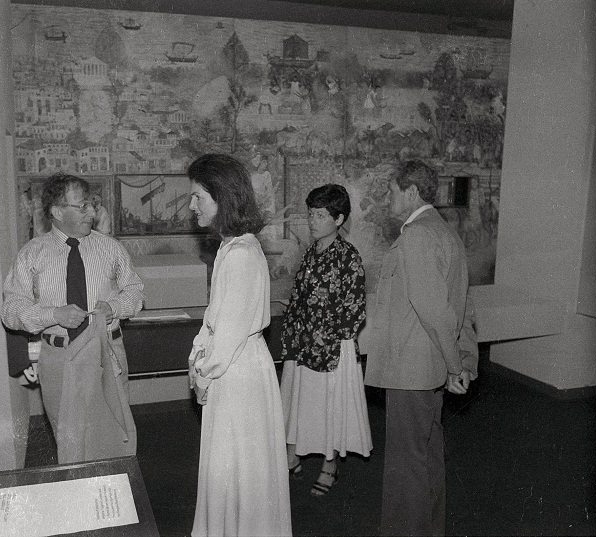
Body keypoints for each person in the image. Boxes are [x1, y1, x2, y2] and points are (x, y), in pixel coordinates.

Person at [364, 160, 476, 536]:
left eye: (392, 191)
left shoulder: (416, 236)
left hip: (412, 371)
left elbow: (435, 311)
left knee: (405, 466)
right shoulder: (444, 232)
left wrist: (456, 367)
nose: (388, 198)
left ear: (411, 193)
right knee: (427, 458)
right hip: (428, 370)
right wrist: (460, 364)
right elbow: (462, 307)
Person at [2, 173, 144, 463]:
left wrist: (114, 308)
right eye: (82, 207)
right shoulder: (32, 254)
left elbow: (136, 293)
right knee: (69, 443)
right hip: (59, 358)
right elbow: (11, 311)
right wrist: (53, 314)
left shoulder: (110, 248)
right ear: (56, 212)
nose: (91, 212)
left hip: (107, 356)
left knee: (114, 437)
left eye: (91, 205)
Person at [186, 154, 292, 537]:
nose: (192, 204)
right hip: (236, 364)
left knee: (238, 462)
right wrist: (198, 354)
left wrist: (203, 371)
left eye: (198, 196)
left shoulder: (242, 254)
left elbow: (228, 332)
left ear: (223, 197)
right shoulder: (232, 249)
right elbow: (215, 318)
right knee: (232, 463)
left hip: (237, 368)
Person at [279, 183, 371, 496]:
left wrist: (325, 334)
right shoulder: (311, 253)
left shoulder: (348, 256)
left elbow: (355, 308)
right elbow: (298, 298)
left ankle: (330, 464)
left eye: (320, 215)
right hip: (303, 344)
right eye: (311, 214)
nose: (313, 220)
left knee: (330, 407)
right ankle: (292, 453)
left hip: (332, 347)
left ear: (339, 218)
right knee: (299, 401)